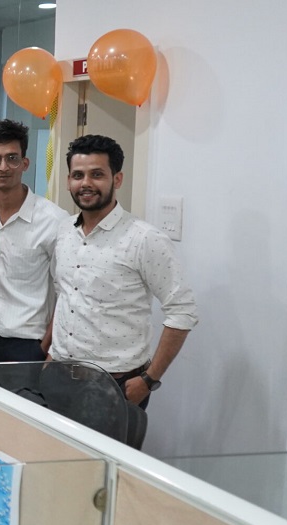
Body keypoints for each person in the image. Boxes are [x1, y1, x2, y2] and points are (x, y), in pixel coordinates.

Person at [51, 134, 198, 408]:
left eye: (97, 174)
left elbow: (183, 311)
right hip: (60, 377)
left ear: (117, 179)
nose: (86, 183)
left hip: (116, 385)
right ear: (69, 180)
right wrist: (51, 355)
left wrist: (149, 379)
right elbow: (65, 296)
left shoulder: (144, 239)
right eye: (78, 175)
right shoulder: (64, 231)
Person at [0, 120, 70, 362]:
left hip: (29, 345)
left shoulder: (55, 220)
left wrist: (46, 347)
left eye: (12, 158)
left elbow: (67, 292)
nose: (3, 167)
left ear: (25, 163)